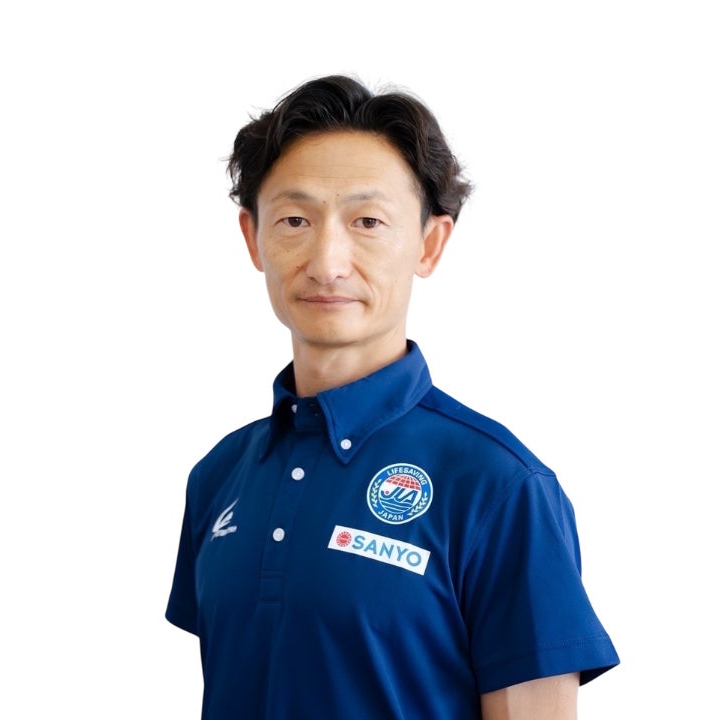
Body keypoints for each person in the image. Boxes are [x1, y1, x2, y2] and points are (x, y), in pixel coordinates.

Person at [165, 74, 620, 719]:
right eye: (294, 220)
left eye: (368, 221)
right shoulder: (218, 477)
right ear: (253, 237)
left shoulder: (500, 486)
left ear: (429, 244)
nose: (327, 261)